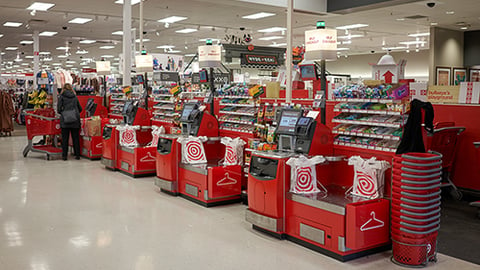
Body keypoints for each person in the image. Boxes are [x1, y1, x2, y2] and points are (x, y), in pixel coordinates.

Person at [57, 83, 82, 160]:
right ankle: (77, 155)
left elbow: (58, 109)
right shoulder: (74, 96)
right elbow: (80, 108)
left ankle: (64, 156)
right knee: (76, 138)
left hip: (65, 121)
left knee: (65, 139)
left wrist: (64, 113)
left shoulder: (61, 97)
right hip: (75, 120)